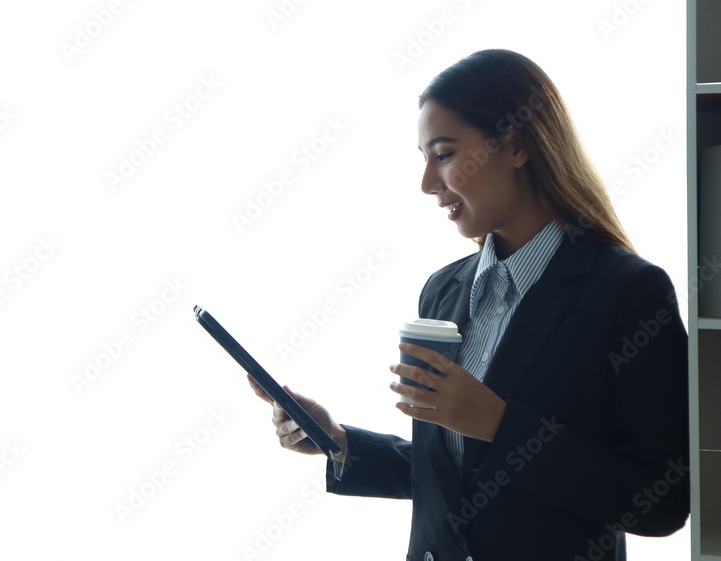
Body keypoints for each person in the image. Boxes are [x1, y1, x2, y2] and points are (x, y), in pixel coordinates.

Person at [248, 49, 689, 561]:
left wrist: (501, 425)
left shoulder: (628, 292)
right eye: (424, 157)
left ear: (516, 145)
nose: (427, 184)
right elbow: (455, 472)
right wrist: (338, 441)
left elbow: (661, 501)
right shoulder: (443, 290)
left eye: (444, 154)